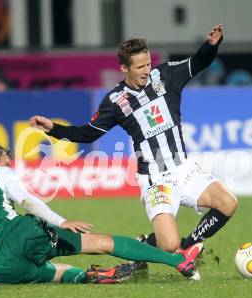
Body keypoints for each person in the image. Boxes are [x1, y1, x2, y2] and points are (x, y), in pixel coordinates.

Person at [29, 24, 238, 280]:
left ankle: (189, 246)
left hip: (184, 169)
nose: (146, 71)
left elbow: (199, 62)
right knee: (167, 245)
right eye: (140, 67)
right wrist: (54, 130)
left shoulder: (166, 75)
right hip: (156, 179)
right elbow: (88, 133)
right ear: (124, 69)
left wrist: (211, 45)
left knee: (228, 202)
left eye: (148, 64)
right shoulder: (116, 101)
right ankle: (153, 244)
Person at [0, 142, 204, 284]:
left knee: (51, 271)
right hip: (17, 237)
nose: (10, 159)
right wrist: (61, 221)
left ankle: (90, 277)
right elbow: (28, 202)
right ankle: (177, 261)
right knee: (101, 243)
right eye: (5, 155)